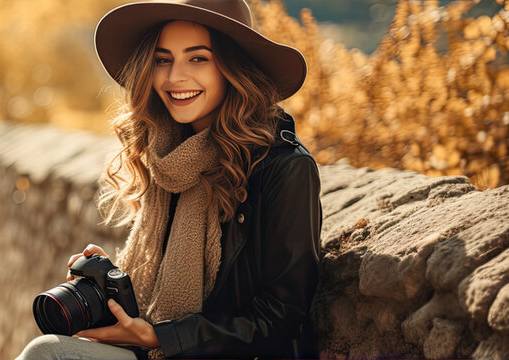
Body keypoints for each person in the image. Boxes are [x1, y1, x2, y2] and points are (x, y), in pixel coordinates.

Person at [17, 0, 322, 358]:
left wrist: (160, 338)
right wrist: (117, 285)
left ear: (232, 67)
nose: (175, 77)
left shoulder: (283, 167)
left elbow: (282, 316)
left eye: (197, 58)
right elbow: (160, 299)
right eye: (163, 60)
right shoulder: (167, 156)